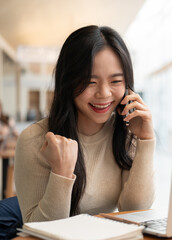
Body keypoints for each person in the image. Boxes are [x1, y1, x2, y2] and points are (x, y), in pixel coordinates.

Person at [14, 25, 156, 224]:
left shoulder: (126, 130)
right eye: (90, 82)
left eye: (115, 81)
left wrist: (146, 140)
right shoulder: (35, 140)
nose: (104, 94)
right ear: (68, 81)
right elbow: (38, 231)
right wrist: (61, 174)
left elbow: (135, 211)